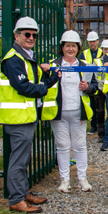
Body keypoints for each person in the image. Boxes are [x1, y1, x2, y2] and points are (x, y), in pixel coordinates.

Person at [0, 16, 59, 213]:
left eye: (34, 35)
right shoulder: (13, 59)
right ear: (17, 35)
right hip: (17, 118)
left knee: (24, 158)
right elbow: (25, 88)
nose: (31, 37)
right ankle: (16, 199)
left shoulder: (27, 58)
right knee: (19, 160)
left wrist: (49, 79)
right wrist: (44, 86)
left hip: (26, 116)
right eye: (27, 34)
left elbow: (37, 85)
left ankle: (22, 192)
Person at [42, 31, 98, 193]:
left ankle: (82, 179)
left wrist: (88, 88)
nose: (71, 49)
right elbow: (44, 85)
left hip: (78, 113)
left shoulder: (85, 66)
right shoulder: (52, 65)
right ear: (62, 47)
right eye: (68, 46)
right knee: (62, 146)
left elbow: (94, 87)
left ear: (78, 48)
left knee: (80, 146)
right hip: (58, 113)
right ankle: (64, 180)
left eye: (73, 46)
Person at [80, 31, 103, 136]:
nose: (92, 43)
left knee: (100, 107)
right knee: (92, 105)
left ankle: (100, 126)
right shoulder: (84, 54)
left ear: (97, 41)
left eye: (94, 41)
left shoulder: (102, 52)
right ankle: (93, 126)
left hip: (100, 82)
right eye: (90, 42)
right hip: (89, 83)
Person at [93, 39, 108, 142]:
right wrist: (103, 88)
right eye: (106, 49)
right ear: (102, 49)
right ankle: (101, 135)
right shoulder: (97, 61)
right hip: (100, 90)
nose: (107, 51)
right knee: (100, 112)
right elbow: (96, 77)